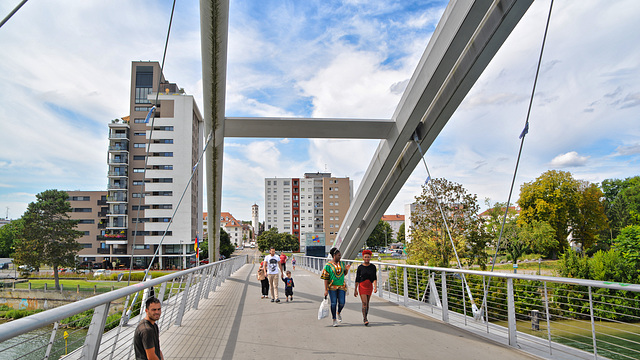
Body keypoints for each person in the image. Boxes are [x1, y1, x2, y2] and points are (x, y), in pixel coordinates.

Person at [321, 247, 351, 327]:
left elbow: (343, 274)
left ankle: (338, 312)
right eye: (339, 255)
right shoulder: (328, 265)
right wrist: (326, 289)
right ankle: (334, 319)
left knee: (342, 302)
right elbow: (326, 278)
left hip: (341, 286)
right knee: (333, 303)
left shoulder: (342, 264)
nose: (340, 257)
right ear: (334, 255)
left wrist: (347, 269)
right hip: (332, 287)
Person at [354, 249, 377, 326]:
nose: (367, 258)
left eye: (368, 257)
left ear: (370, 258)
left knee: (367, 304)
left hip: (369, 286)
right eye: (365, 257)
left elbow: (374, 278)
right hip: (362, 286)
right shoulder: (360, 267)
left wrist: (375, 287)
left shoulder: (373, 267)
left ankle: (365, 316)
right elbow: (357, 279)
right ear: (363, 258)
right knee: (364, 303)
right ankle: (365, 319)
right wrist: (355, 290)